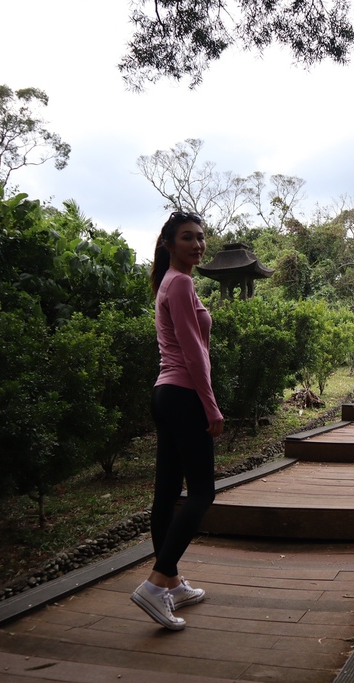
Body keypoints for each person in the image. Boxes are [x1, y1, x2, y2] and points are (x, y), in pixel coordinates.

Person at [131, 211, 225, 631]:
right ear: (169, 243)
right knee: (202, 493)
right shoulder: (181, 282)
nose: (198, 244)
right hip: (184, 393)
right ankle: (154, 586)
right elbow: (193, 353)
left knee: (167, 492)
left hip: (164, 394)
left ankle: (168, 581)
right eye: (188, 238)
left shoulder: (168, 282)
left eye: (201, 237)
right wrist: (212, 406)